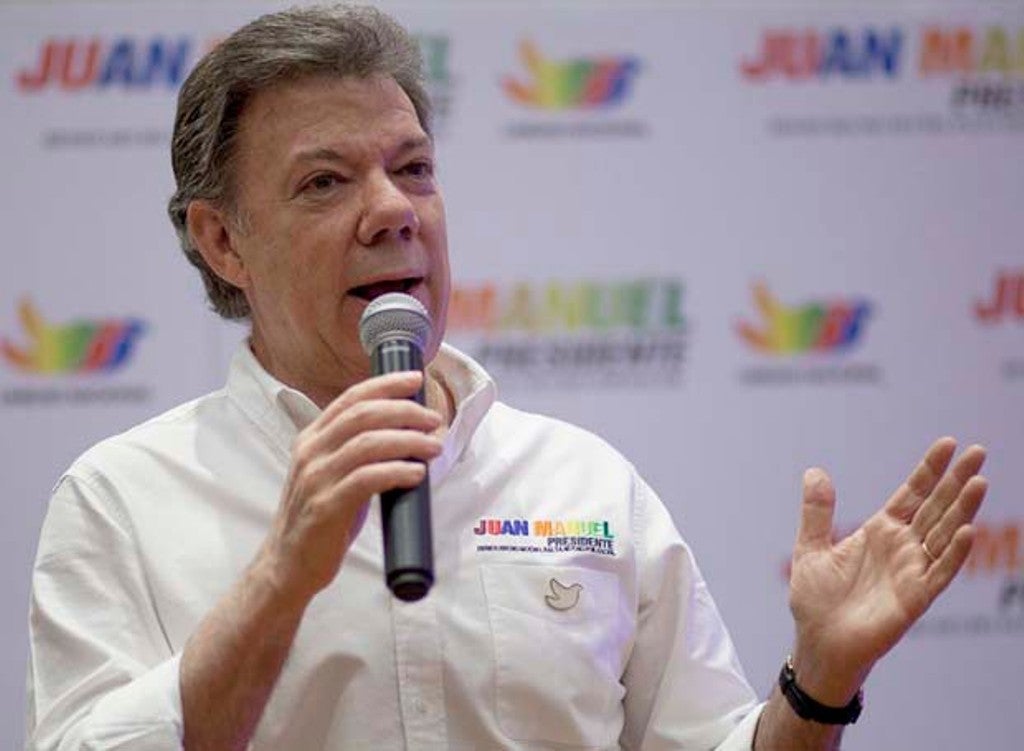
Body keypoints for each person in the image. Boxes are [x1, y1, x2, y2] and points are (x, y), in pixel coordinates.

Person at [25, 5, 989, 750]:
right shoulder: (122, 500)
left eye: (413, 168)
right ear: (223, 240)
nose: (393, 210)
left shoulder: (584, 481)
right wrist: (281, 579)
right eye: (325, 182)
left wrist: (817, 685)